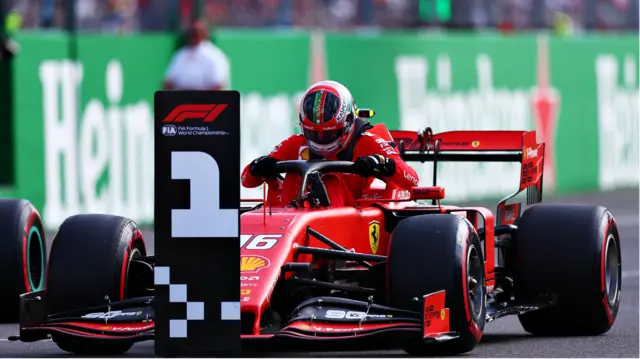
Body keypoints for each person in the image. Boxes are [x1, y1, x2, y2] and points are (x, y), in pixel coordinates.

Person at [241, 80, 420, 207]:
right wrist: (259, 167)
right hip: (288, 219)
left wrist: (383, 163)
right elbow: (245, 181)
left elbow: (412, 181)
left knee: (329, 179)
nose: (320, 140)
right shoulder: (296, 144)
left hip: (347, 219)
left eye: (328, 134)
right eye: (313, 133)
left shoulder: (367, 142)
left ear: (348, 122)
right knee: (294, 175)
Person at [162, 19, 230, 91]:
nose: (193, 36)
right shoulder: (181, 54)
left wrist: (196, 94)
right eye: (191, 33)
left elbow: (219, 85)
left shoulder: (215, 55)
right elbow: (168, 81)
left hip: (207, 100)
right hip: (181, 99)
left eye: (196, 33)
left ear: (205, 33)